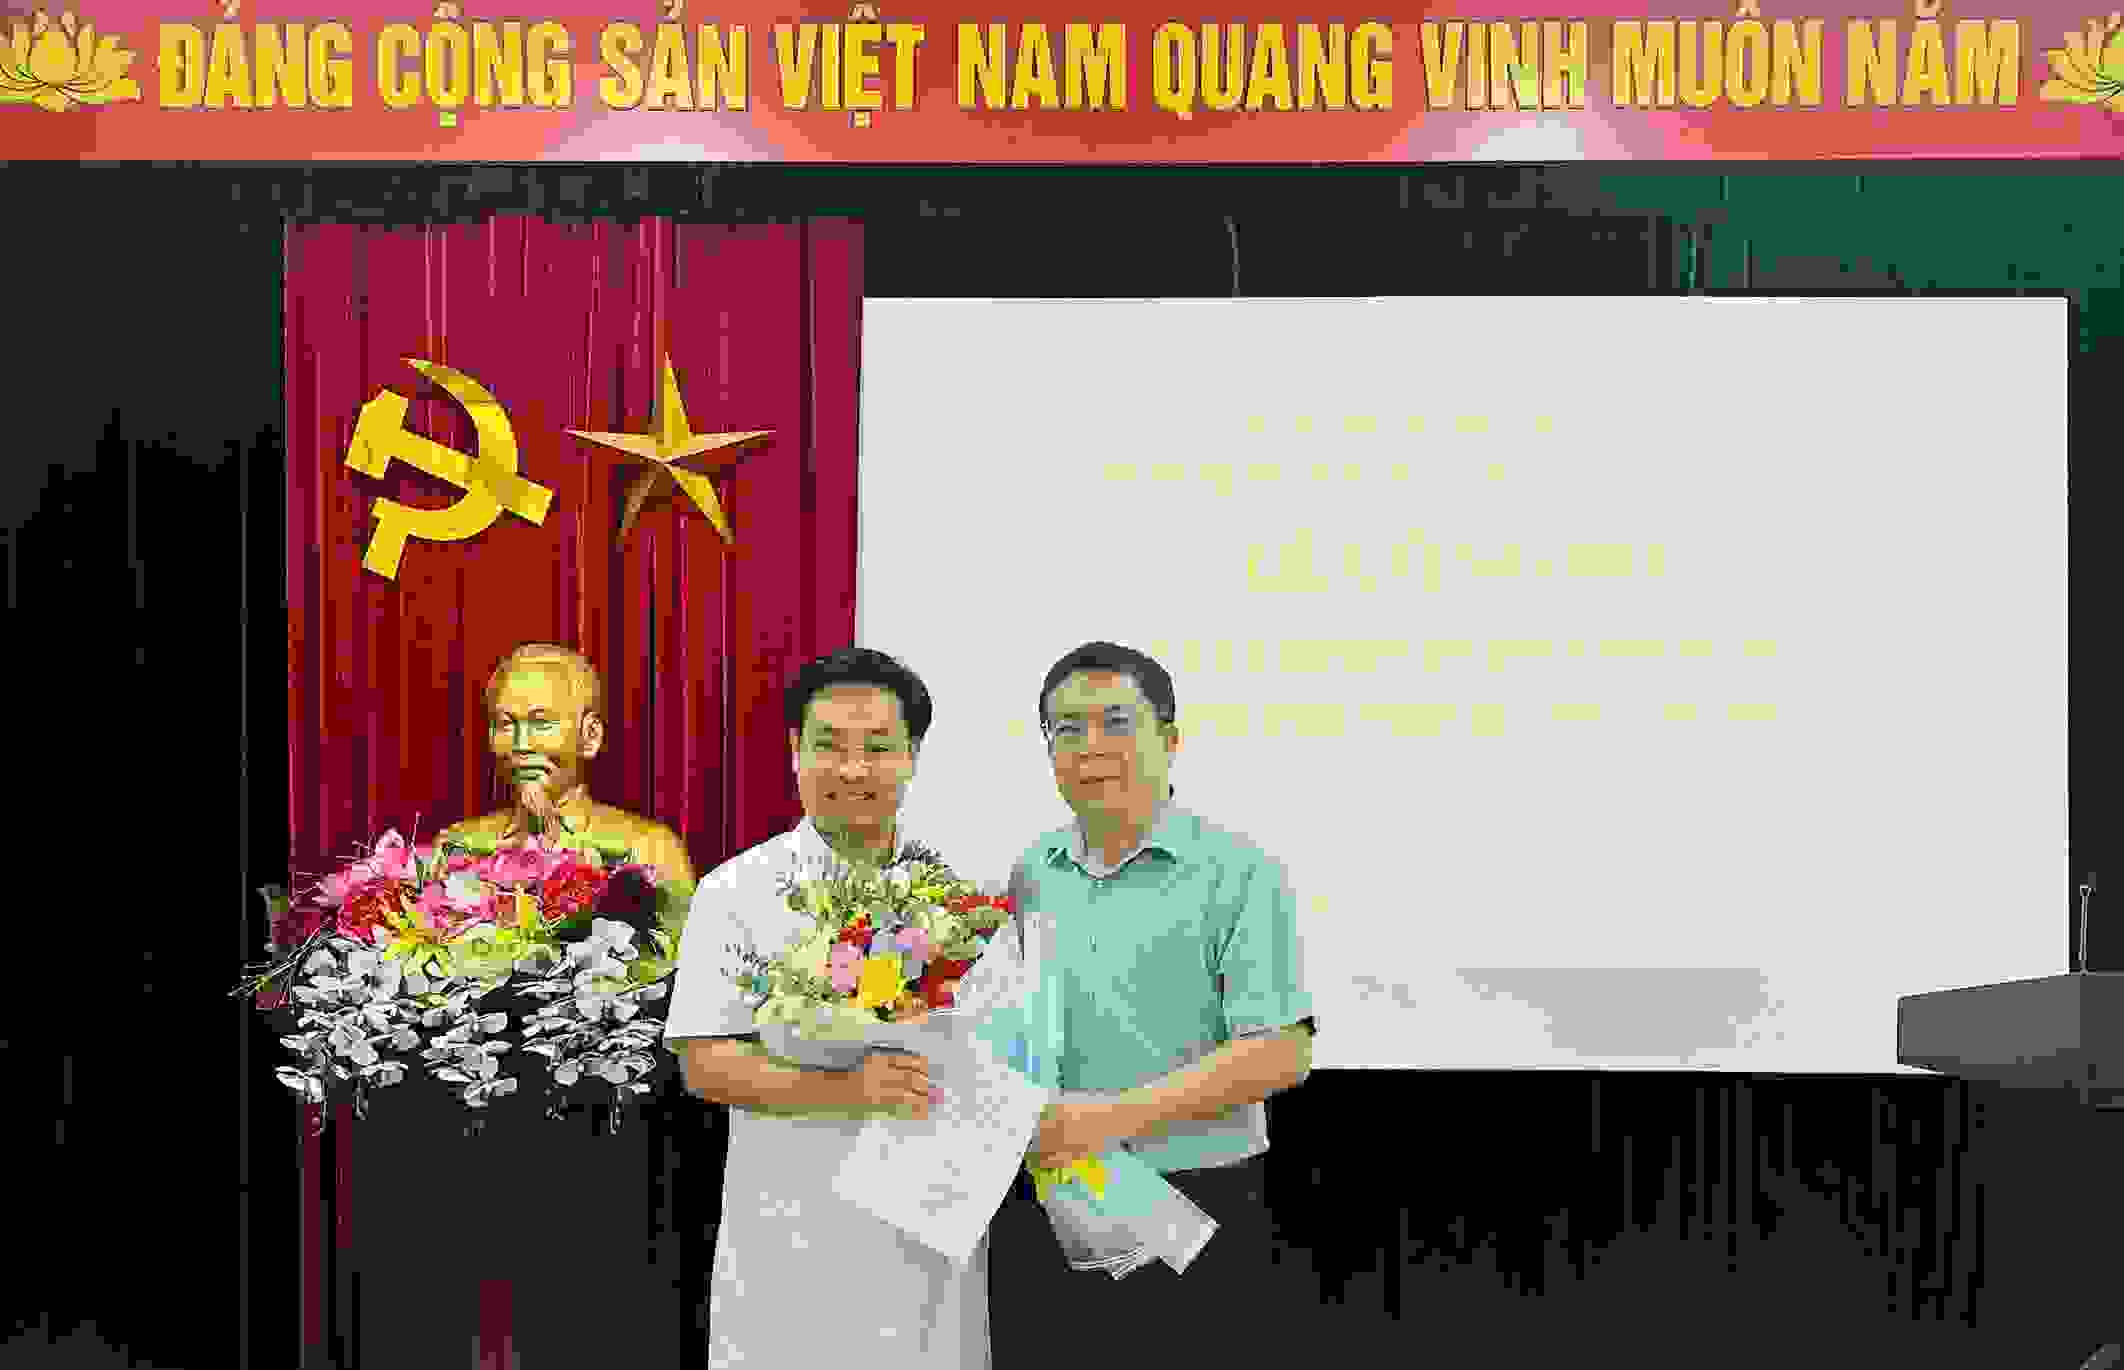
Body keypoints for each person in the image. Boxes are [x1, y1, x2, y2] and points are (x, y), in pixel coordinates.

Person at [989, 640, 1318, 1364]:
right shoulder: (1033, 871)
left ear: (1170, 740)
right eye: (1067, 729)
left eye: (1116, 722)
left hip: (1194, 1199)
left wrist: (1103, 1121)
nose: (1091, 746)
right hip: (1053, 1191)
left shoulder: (1240, 872)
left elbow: (1281, 1052)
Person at [663, 647, 986, 1369]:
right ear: (794, 750)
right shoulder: (736, 893)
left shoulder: (957, 897)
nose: (853, 769)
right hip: (795, 1223)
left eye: (878, 747)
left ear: (912, 755)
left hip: (928, 1223)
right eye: (830, 745)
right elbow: (706, 1066)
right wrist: (850, 1089)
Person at [437, 642, 696, 884]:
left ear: (590, 736)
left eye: (541, 723)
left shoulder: (648, 849)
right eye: (505, 724)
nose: (521, 744)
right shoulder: (462, 846)